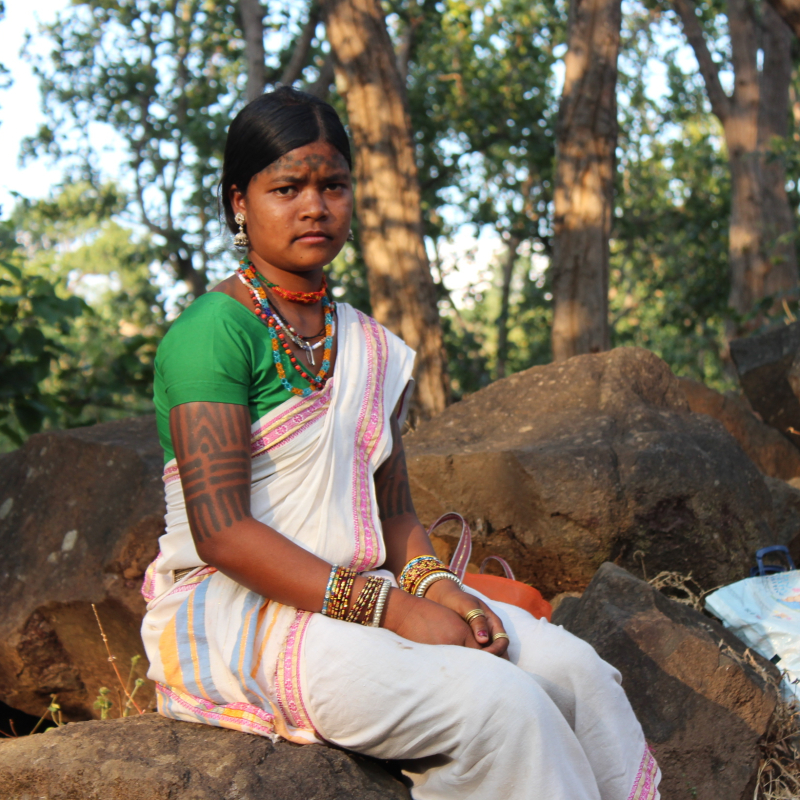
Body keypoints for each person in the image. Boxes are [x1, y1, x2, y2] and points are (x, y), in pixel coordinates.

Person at [140, 86, 661, 800]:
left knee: (578, 675)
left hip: (366, 592)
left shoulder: (369, 347)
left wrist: (444, 590)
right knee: (502, 706)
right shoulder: (211, 335)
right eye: (286, 187)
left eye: (333, 186)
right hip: (248, 612)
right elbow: (223, 533)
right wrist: (395, 612)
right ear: (239, 201)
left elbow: (395, 517)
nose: (314, 207)